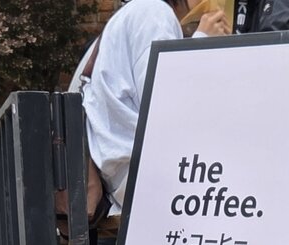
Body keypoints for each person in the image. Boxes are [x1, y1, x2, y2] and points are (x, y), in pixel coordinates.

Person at [82, 0, 230, 213]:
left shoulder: (139, 10)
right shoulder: (155, 13)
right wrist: (203, 41)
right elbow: (165, 103)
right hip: (141, 173)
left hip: (121, 174)